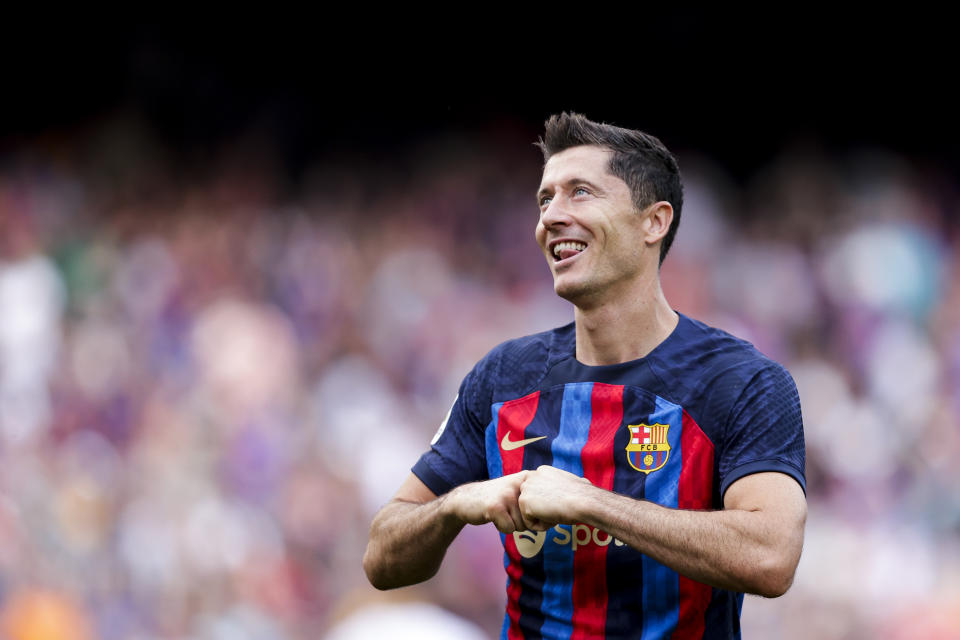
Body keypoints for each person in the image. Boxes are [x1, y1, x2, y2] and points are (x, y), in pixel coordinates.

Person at [363, 113, 807, 639]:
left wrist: (592, 504)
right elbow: (381, 558)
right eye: (545, 199)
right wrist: (454, 506)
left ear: (654, 222)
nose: (551, 216)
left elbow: (771, 556)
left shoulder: (742, 382)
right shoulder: (504, 377)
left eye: (580, 193)